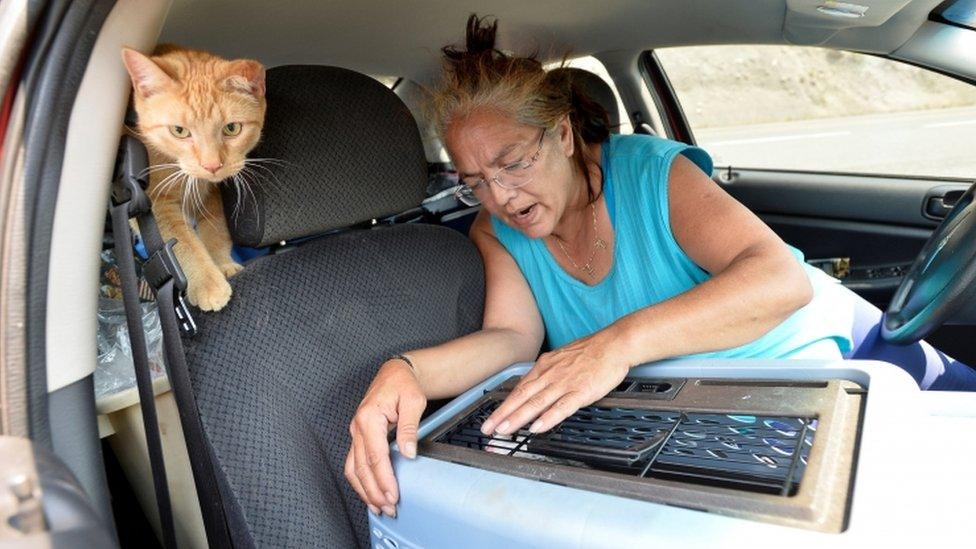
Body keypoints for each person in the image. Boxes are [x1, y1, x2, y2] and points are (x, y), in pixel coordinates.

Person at [344, 15, 976, 519]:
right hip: (714, 420)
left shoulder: (649, 171)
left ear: (563, 135)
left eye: (513, 162)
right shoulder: (496, 228)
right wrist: (406, 371)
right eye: (476, 181)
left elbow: (777, 277)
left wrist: (613, 346)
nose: (502, 197)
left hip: (847, 366)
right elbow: (512, 339)